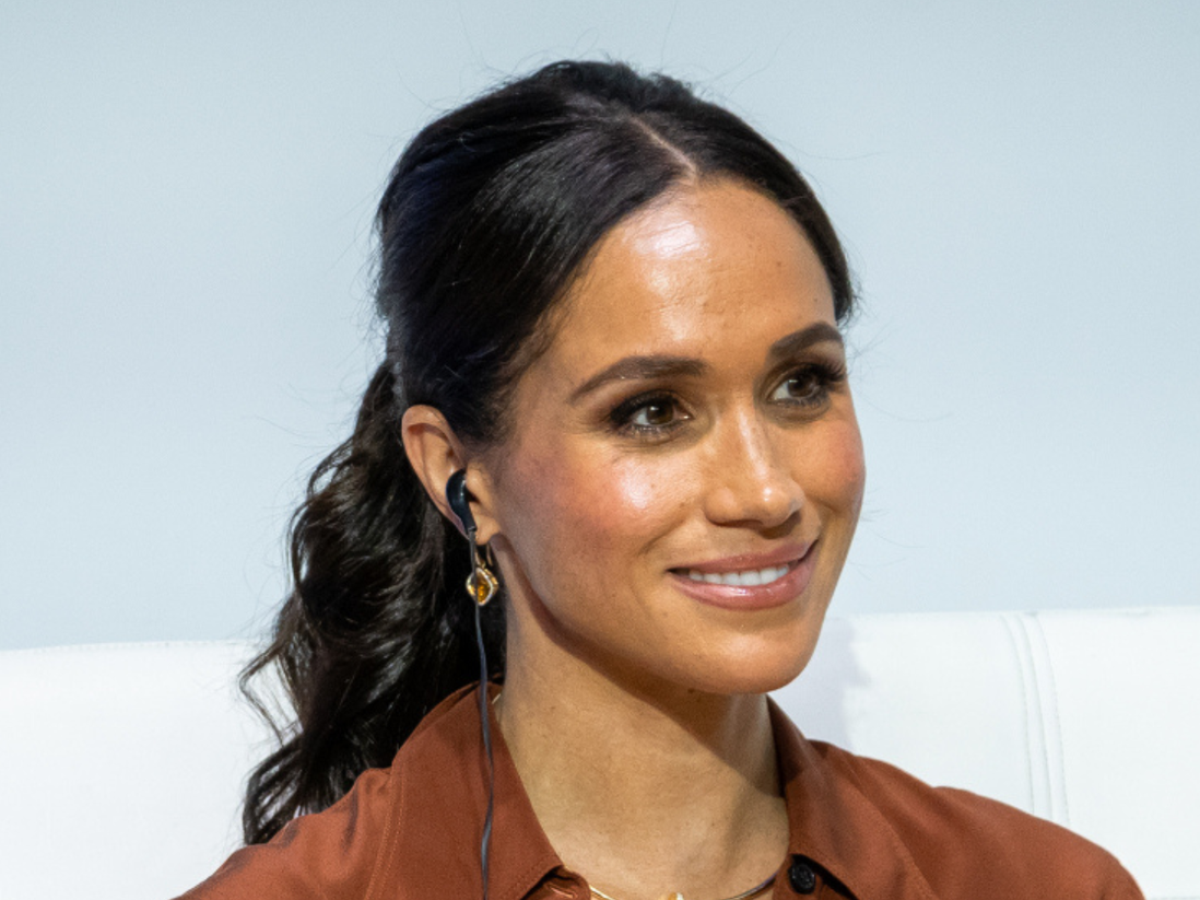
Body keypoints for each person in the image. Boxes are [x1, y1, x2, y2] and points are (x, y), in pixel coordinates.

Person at [179, 60, 1143, 900]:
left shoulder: (1039, 886)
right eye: (651, 412)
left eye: (801, 385)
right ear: (458, 473)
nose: (765, 493)